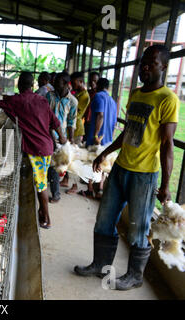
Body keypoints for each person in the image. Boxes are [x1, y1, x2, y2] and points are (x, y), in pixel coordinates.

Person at [74, 45, 180, 291]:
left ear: (163, 66)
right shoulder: (136, 94)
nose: (144, 66)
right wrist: (105, 152)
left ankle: (135, 275)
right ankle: (100, 264)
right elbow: (128, 131)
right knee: (104, 220)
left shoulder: (168, 99)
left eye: (151, 62)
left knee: (138, 228)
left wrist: (165, 184)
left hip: (144, 175)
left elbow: (167, 144)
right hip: (121, 168)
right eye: (142, 61)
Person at [0, 72, 67, 229]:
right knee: (40, 181)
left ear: (19, 85)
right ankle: (40, 211)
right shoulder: (42, 100)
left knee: (41, 184)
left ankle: (47, 219)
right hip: (46, 146)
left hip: (37, 150)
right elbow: (55, 121)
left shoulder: (16, 101)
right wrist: (62, 138)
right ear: (33, 86)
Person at [78, 77, 117, 199]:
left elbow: (100, 115)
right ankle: (100, 189)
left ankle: (90, 189)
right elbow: (114, 122)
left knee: (91, 161)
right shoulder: (112, 101)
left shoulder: (98, 97)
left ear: (98, 86)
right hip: (108, 137)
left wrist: (95, 135)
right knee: (104, 162)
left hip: (96, 137)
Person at [45, 71, 78, 202]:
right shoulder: (49, 96)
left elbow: (71, 122)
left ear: (65, 83)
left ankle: (56, 193)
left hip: (62, 138)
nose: (53, 84)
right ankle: (55, 192)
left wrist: (71, 140)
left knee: (55, 165)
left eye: (57, 82)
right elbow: (45, 117)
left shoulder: (73, 101)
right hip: (48, 134)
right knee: (50, 164)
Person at [63, 71, 90, 194]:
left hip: (77, 129)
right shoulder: (77, 93)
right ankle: (66, 179)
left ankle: (75, 185)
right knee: (69, 155)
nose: (72, 85)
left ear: (81, 82)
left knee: (75, 158)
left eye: (74, 83)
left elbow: (76, 114)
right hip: (70, 128)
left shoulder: (85, 96)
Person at [84, 71, 100, 139]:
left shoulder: (100, 94)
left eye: (95, 81)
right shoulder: (87, 93)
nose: (92, 83)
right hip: (86, 121)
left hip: (95, 122)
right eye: (91, 81)